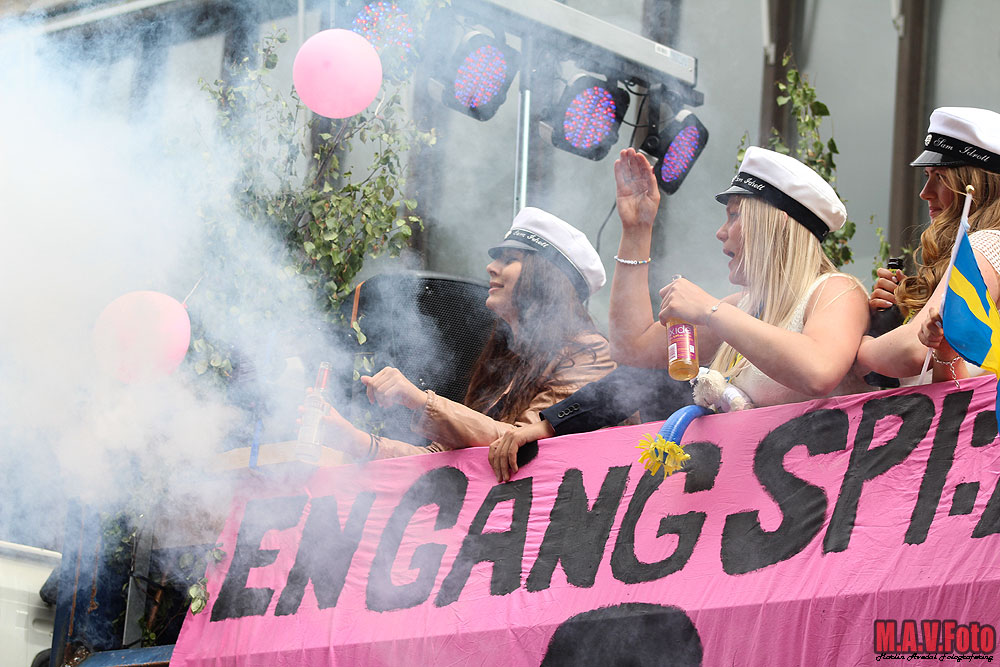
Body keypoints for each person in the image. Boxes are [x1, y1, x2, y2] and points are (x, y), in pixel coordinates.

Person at [488, 146, 870, 481]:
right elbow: (632, 350)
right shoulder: (743, 308)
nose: (721, 232)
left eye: (735, 216)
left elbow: (818, 371)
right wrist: (637, 229)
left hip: (819, 506)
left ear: (776, 223)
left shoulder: (837, 290)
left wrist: (709, 310)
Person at [313, 207, 616, 460]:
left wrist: (421, 401)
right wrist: (352, 439)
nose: (491, 267)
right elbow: (441, 460)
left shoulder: (590, 352)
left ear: (546, 278)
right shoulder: (507, 356)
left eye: (509, 259)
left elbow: (524, 445)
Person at [858, 107, 1000, 383]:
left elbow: (913, 350)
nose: (925, 193)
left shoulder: (988, 242)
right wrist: (900, 311)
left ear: (977, 185)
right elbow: (948, 371)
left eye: (941, 177)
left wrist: (858, 345)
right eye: (927, 176)